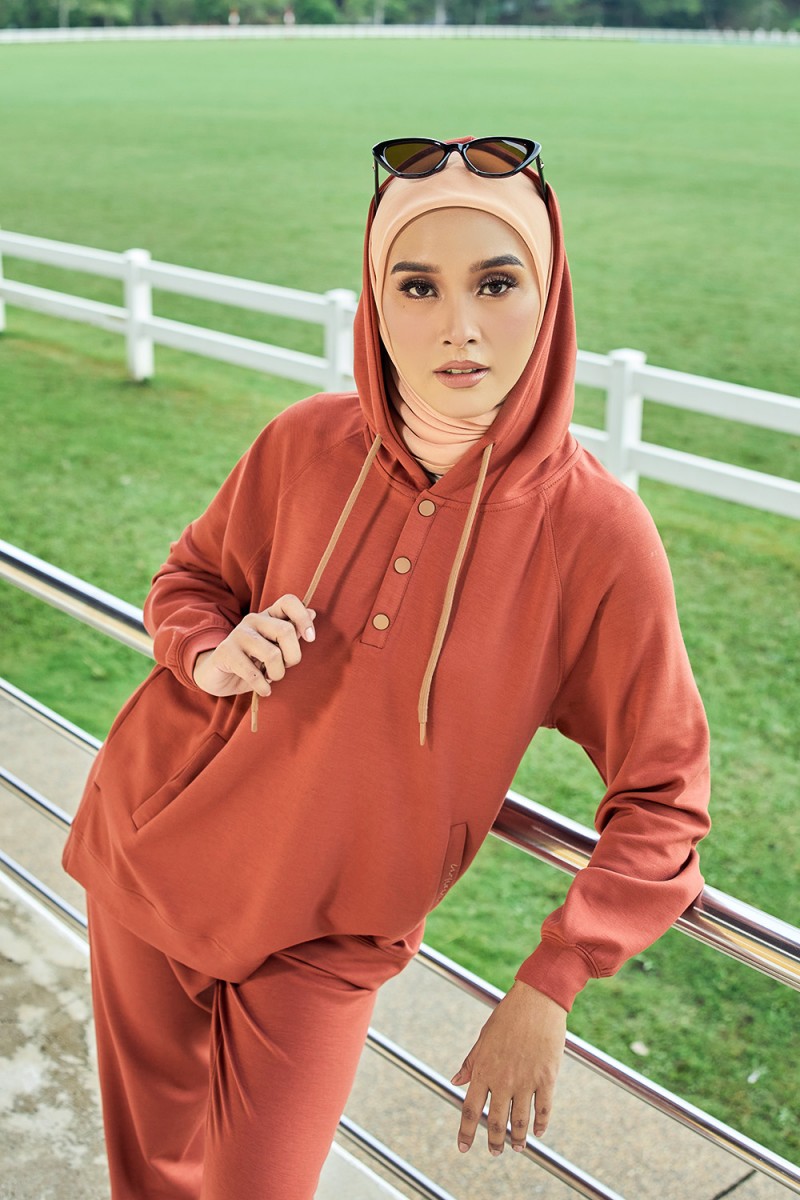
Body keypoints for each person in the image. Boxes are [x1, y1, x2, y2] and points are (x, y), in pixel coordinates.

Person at [62, 136, 711, 1200]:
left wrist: (550, 981)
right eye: (417, 286)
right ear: (375, 300)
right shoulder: (304, 440)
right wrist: (211, 653)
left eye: (495, 283)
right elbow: (190, 580)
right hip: (152, 853)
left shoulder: (596, 536)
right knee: (153, 1179)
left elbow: (663, 793)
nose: (459, 326)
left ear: (548, 295)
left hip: (329, 937)